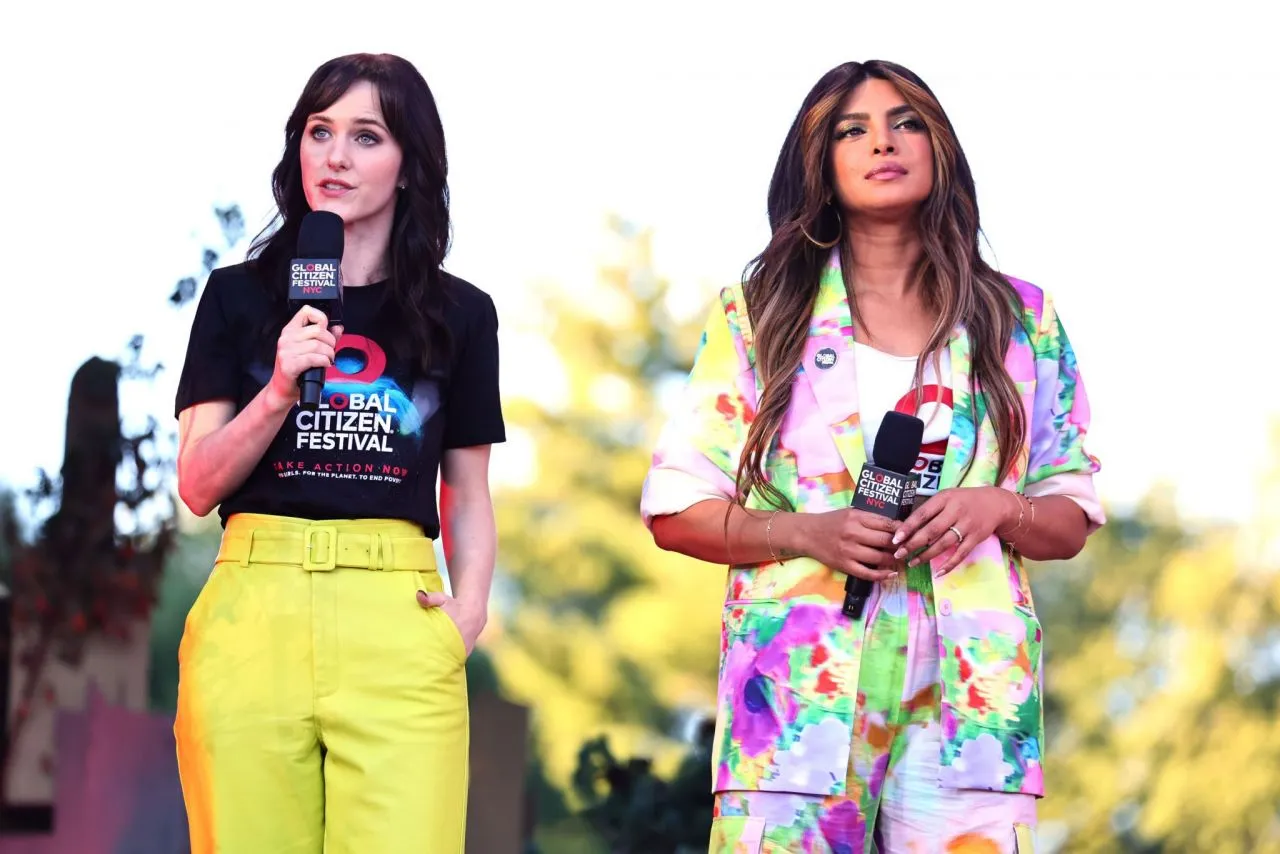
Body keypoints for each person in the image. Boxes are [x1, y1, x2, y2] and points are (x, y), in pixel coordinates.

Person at [641, 60, 1104, 853]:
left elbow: (1071, 516)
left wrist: (999, 506)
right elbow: (676, 511)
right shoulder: (757, 314)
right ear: (820, 162)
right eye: (852, 130)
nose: (881, 142)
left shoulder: (1022, 319)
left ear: (939, 147)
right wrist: (807, 532)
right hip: (796, 696)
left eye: (905, 121)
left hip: (973, 707)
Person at [171, 53, 504, 853]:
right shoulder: (237, 297)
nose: (336, 157)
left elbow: (469, 489)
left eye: (366, 136)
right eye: (320, 132)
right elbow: (197, 481)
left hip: (398, 615)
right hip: (255, 611)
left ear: (409, 164)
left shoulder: (460, 313)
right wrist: (282, 385)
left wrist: (468, 611)